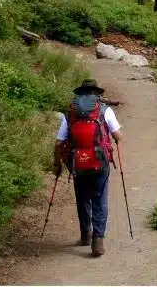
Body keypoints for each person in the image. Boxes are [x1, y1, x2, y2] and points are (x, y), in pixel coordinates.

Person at [54, 79, 122, 257]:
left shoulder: (70, 113)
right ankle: (97, 242)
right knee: (99, 199)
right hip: (100, 162)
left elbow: (59, 142)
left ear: (81, 93)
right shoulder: (105, 110)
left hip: (77, 163)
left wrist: (57, 164)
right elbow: (117, 135)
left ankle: (85, 235)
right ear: (97, 94)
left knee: (83, 198)